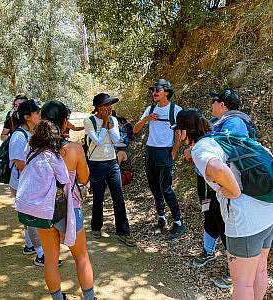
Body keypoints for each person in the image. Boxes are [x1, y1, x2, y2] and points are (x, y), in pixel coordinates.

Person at [176, 108, 273, 300]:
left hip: (245, 222)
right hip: (267, 210)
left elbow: (217, 167)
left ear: (184, 132)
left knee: (243, 283)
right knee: (260, 271)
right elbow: (266, 151)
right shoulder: (221, 136)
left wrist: (233, 190)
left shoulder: (200, 148)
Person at [16, 100, 96, 300]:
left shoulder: (32, 147)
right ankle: (89, 297)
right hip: (68, 207)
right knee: (81, 256)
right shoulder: (74, 149)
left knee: (51, 260)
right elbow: (85, 179)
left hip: (42, 209)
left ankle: (59, 298)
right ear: (64, 122)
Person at [133, 79, 185, 239]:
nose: (154, 92)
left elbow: (181, 134)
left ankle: (178, 222)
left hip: (165, 152)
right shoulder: (150, 108)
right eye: (153, 90)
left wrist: (174, 151)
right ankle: (161, 218)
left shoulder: (176, 110)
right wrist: (147, 119)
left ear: (167, 92)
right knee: (155, 188)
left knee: (166, 188)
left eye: (158, 90)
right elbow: (135, 130)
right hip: (151, 151)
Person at [84, 93, 135, 247]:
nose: (109, 108)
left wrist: (109, 124)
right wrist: (105, 123)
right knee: (98, 196)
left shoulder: (113, 120)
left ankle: (123, 231)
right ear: (98, 108)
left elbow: (117, 140)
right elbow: (98, 141)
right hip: (96, 164)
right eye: (106, 105)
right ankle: (96, 226)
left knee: (118, 197)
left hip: (112, 162)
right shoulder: (89, 121)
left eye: (110, 105)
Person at [8, 99, 45, 264]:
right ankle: (41, 253)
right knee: (32, 219)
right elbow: (20, 163)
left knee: (28, 216)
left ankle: (29, 245)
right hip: (22, 184)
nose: (39, 115)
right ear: (27, 116)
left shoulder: (33, 132)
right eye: (37, 113)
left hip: (30, 184)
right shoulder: (18, 136)